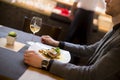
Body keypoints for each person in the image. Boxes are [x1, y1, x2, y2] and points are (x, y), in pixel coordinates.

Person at [24, 0, 120, 80]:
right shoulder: (114, 30)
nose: (106, 0)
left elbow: (91, 75)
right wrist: (58, 43)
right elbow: (89, 50)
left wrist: (45, 62)